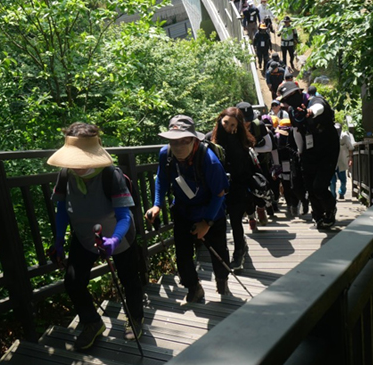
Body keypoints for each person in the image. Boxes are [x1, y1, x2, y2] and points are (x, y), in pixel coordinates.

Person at [49, 123, 144, 350]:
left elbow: (124, 216)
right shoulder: (65, 174)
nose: (77, 165)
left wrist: (114, 240)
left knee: (129, 279)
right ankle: (92, 322)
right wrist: (58, 241)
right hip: (83, 237)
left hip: (119, 238)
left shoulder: (111, 175)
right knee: (73, 282)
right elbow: (62, 210)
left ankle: (134, 318)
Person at [146, 115, 230, 302]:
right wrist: (157, 204)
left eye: (184, 141)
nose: (178, 146)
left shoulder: (209, 159)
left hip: (212, 211)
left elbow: (220, 193)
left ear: (194, 139)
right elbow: (161, 179)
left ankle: (222, 281)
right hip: (184, 210)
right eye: (174, 141)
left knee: (219, 250)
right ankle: (193, 287)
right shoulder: (165, 155)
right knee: (183, 253)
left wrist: (207, 223)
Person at [277, 81, 340, 230]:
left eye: (293, 95)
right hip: (308, 151)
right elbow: (297, 131)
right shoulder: (293, 111)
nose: (290, 100)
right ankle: (318, 216)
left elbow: (320, 108)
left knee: (320, 186)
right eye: (287, 98)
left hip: (327, 149)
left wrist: (310, 112)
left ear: (300, 92)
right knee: (310, 187)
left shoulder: (314, 101)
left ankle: (330, 209)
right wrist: (300, 151)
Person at [212, 107, 257, 269]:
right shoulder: (211, 139)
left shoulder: (240, 143)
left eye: (233, 125)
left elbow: (243, 168)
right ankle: (231, 251)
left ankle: (238, 252)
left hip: (237, 187)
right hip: (217, 188)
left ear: (238, 127)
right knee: (224, 222)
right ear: (220, 120)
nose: (228, 128)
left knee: (236, 220)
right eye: (226, 123)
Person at [331, 122, 356, 199]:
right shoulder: (329, 136)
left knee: (343, 180)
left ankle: (341, 192)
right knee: (332, 181)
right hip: (332, 162)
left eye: (338, 129)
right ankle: (333, 196)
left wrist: (350, 158)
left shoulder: (345, 136)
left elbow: (350, 148)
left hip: (342, 161)